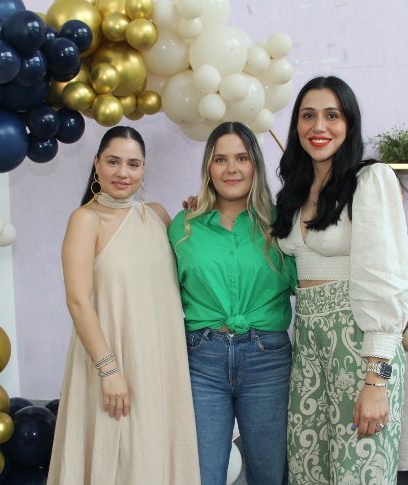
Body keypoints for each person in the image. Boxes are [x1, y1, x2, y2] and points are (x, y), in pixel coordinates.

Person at [272, 76, 408, 484]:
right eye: (308, 116)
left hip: (359, 346)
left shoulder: (370, 180)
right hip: (309, 347)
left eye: (332, 115)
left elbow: (388, 276)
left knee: (358, 474)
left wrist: (376, 379)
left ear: (349, 123)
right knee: (308, 470)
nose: (319, 127)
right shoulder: (294, 194)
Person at [47, 126, 200, 485]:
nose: (123, 172)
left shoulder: (158, 216)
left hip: (159, 364)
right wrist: (109, 370)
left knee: (153, 456)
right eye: (113, 161)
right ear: (96, 164)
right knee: (113, 460)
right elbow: (77, 301)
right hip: (110, 363)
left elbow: (178, 281)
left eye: (133, 164)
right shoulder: (85, 220)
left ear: (144, 169)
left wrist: (198, 218)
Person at [168, 121, 297, 485]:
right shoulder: (184, 226)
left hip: (268, 360)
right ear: (208, 168)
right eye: (220, 159)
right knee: (203, 474)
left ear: (255, 164)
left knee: (270, 474)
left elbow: (308, 284)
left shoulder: (281, 224)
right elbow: (162, 297)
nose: (231, 168)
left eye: (241, 157)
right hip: (202, 361)